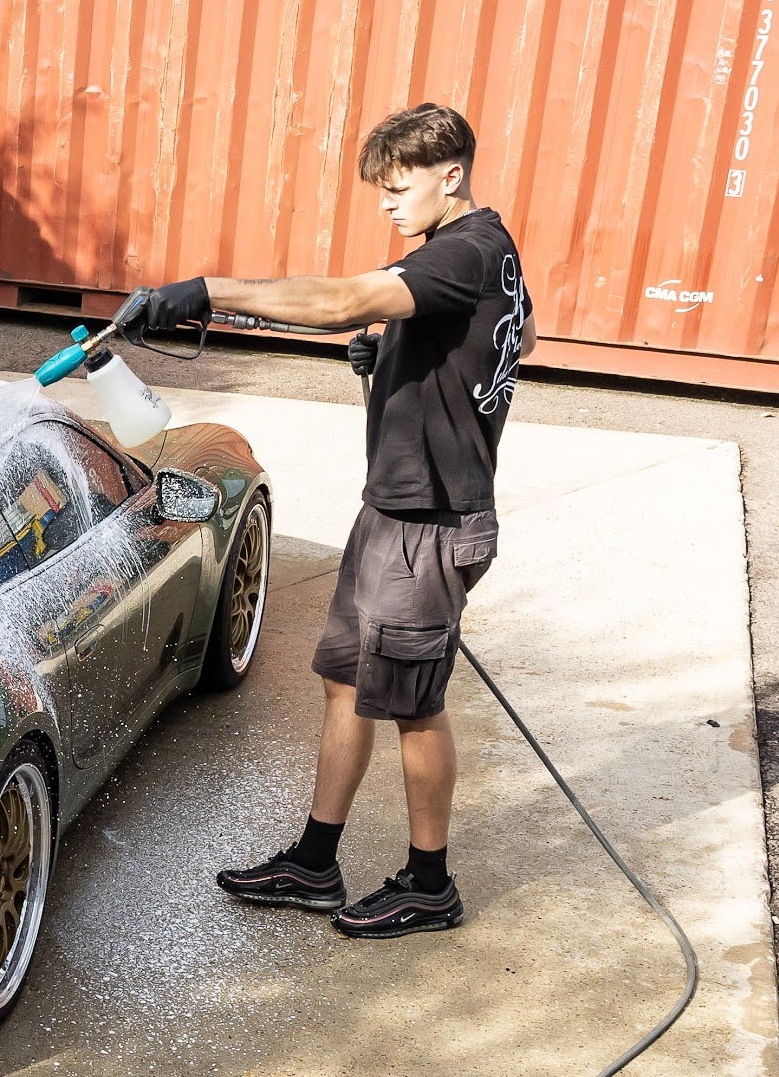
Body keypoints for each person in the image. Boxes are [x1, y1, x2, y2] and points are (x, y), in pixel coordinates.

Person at [142, 103, 534, 938]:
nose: (388, 204)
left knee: (414, 705)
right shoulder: (481, 252)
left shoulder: (464, 253)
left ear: (450, 174)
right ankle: (315, 863)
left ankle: (430, 885)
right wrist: (405, 349)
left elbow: (343, 297)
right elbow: (518, 335)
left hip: (429, 522)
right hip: (391, 510)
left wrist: (207, 292)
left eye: (399, 188)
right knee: (347, 684)